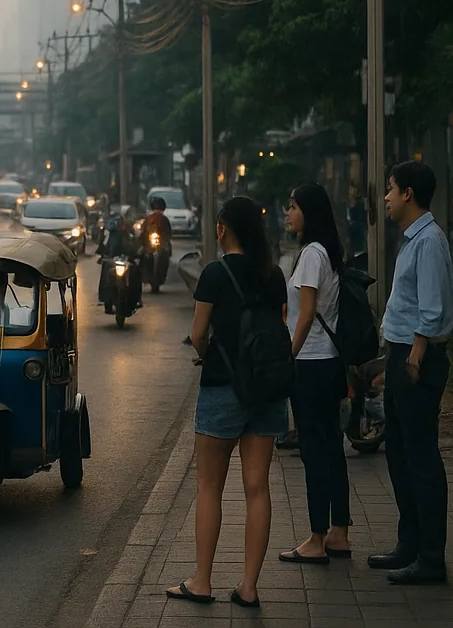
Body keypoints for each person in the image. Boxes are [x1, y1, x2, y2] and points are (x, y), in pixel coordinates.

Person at [166, 196, 287, 608]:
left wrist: (207, 352)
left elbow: (198, 334)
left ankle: (202, 581)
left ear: (222, 230)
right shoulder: (273, 274)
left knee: (209, 486)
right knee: (257, 488)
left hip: (222, 386)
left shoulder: (215, 273)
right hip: (266, 389)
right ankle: (249, 587)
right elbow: (279, 326)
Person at [369, 161, 453, 584]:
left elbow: (432, 307)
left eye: (391, 188)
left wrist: (415, 355)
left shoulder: (429, 242)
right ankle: (410, 543)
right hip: (402, 354)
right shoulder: (412, 239)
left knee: (421, 458)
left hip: (417, 359)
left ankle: (431, 557)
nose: (386, 197)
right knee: (400, 453)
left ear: (408, 194)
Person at [277, 182, 351, 564]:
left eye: (293, 206)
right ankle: (339, 533)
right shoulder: (328, 252)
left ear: (310, 211)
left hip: (309, 363)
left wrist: (288, 356)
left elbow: (305, 315)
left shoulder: (309, 255)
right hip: (330, 362)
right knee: (332, 447)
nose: (288, 213)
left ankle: (316, 538)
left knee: (313, 450)